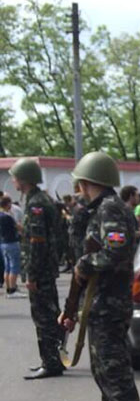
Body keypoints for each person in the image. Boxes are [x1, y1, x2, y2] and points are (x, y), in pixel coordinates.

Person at [59, 151, 140, 401]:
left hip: (110, 305)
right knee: (102, 369)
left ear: (86, 181)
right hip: (100, 305)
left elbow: (116, 252)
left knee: (115, 373)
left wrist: (85, 264)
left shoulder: (110, 208)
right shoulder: (101, 209)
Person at [10, 158, 66, 379]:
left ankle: (51, 362)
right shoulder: (41, 200)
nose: (12, 180)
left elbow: (37, 241)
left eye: (15, 176)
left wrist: (31, 273)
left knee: (43, 317)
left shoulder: (35, 204)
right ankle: (54, 359)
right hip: (47, 268)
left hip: (40, 271)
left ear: (23, 179)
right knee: (50, 314)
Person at [1, 195, 23, 297]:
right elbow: (18, 227)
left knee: (7, 267)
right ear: (8, 204)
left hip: (3, 242)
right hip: (12, 242)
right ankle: (13, 289)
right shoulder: (8, 216)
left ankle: (8, 288)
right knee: (14, 266)